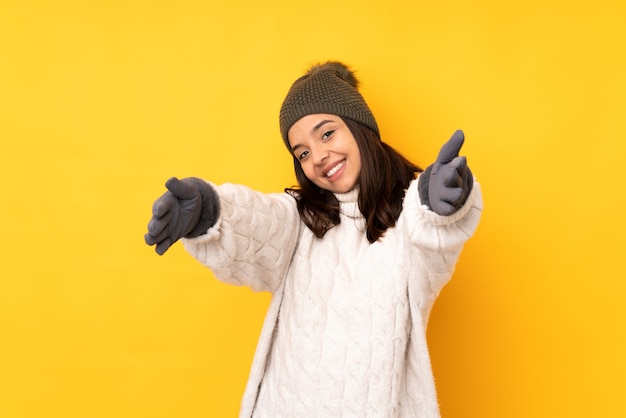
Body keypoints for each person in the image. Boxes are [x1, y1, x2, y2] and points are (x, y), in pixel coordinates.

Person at [145, 61, 483, 417]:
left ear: (359, 127)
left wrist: (437, 205)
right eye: (302, 152)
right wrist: (208, 212)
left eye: (327, 134)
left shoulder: (409, 222)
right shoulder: (301, 220)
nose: (318, 157)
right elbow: (256, 223)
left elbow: (431, 240)